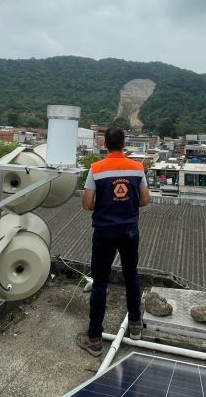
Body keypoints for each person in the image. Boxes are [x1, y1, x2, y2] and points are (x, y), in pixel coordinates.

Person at [76, 127, 151, 357]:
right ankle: (135, 325)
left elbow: (87, 204)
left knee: (100, 282)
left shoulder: (96, 169)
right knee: (131, 276)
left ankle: (94, 338)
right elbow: (145, 200)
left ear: (104, 144)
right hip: (129, 231)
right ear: (124, 144)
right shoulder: (137, 168)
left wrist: (105, 203)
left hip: (104, 232)